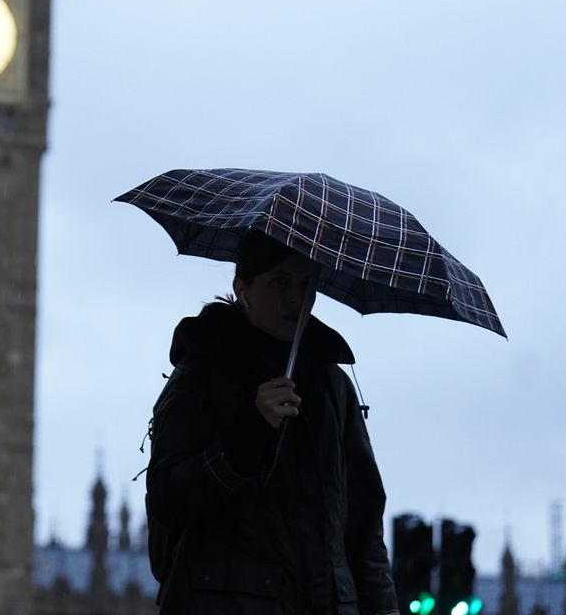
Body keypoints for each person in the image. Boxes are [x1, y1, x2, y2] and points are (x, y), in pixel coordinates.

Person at [146, 230, 399, 615]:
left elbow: (364, 528)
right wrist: (248, 435)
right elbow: (168, 502)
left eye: (306, 284)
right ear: (242, 286)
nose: (295, 299)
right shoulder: (202, 373)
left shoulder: (333, 387)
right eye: (279, 282)